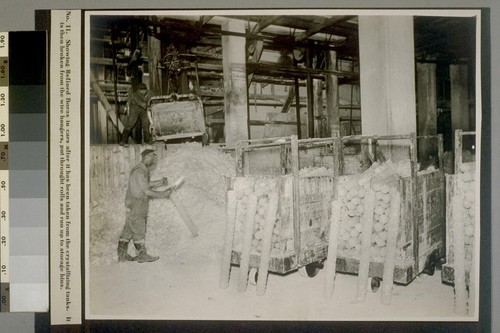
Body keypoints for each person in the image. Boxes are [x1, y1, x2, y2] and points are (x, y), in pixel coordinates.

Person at [117, 148, 175, 263]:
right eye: (153, 157)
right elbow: (147, 191)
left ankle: (122, 255)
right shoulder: (140, 171)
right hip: (137, 204)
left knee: (128, 230)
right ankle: (142, 255)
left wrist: (159, 182)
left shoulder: (140, 169)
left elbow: (144, 185)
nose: (154, 160)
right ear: (147, 157)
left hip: (131, 203)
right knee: (139, 229)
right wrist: (164, 193)